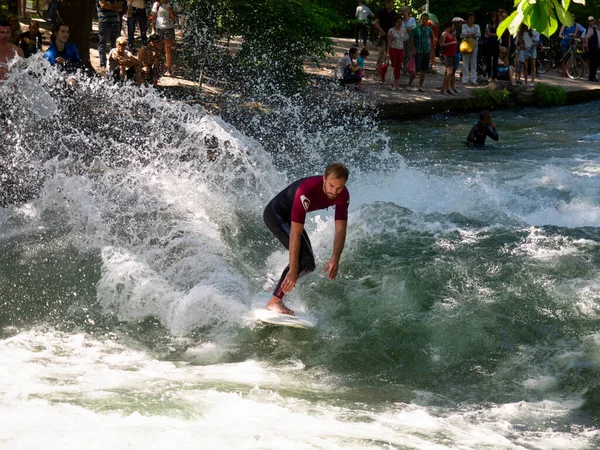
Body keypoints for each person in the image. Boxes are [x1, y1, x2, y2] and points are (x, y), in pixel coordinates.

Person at [262, 163, 350, 316]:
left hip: (290, 218)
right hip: (276, 215)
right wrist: (294, 269)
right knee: (301, 261)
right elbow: (295, 235)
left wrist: (335, 257)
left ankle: (277, 287)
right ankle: (275, 301)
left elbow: (341, 229)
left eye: (339, 187)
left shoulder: (343, 195)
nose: (334, 191)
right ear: (324, 179)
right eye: (331, 185)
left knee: (309, 264)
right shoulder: (306, 191)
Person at [407, 12, 433, 92]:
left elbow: (432, 37)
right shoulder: (415, 28)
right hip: (418, 51)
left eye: (426, 19)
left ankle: (420, 86)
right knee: (415, 70)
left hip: (426, 51)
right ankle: (409, 84)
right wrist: (413, 48)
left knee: (424, 70)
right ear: (420, 19)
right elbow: (411, 38)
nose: (424, 21)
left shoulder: (428, 29)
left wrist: (431, 47)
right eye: (423, 19)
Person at [151, 0, 177, 77]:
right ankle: (155, 68)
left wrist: (171, 11)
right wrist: (153, 29)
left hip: (169, 28)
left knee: (168, 50)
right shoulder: (157, 4)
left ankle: (168, 70)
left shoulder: (171, 4)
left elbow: (175, 18)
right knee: (157, 49)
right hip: (159, 28)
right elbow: (153, 17)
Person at [97, 0, 124, 71]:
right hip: (104, 23)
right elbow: (104, 5)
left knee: (115, 45)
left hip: (116, 23)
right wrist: (115, 5)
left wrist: (110, 6)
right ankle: (103, 64)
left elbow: (121, 7)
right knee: (102, 44)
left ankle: (113, 64)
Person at [374, 0, 396, 69]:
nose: (390, 5)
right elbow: (376, 23)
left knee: (390, 52)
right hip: (383, 34)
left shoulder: (394, 13)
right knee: (382, 51)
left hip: (391, 35)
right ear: (386, 3)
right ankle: (378, 67)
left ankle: (386, 67)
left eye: (391, 3)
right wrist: (381, 31)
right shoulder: (381, 12)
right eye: (389, 3)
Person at [386, 17, 406, 90]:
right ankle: (391, 83)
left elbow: (403, 41)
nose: (400, 23)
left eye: (401, 21)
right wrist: (388, 52)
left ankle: (397, 83)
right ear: (395, 22)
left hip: (400, 50)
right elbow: (389, 42)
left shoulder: (403, 30)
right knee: (393, 66)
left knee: (398, 67)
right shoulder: (391, 31)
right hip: (393, 49)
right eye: (398, 21)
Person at [461, 12, 481, 84]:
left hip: (474, 46)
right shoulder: (464, 26)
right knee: (465, 62)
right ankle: (465, 79)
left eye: (473, 18)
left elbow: (479, 35)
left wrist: (468, 35)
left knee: (474, 63)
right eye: (470, 18)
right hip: (466, 45)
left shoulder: (477, 26)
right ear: (467, 19)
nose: (471, 19)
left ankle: (473, 79)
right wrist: (472, 35)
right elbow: (464, 34)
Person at [439, 20, 457, 94]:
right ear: (449, 26)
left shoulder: (452, 34)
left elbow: (455, 42)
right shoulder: (444, 33)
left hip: (453, 54)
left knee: (450, 72)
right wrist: (451, 43)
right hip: (447, 54)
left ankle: (448, 88)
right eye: (453, 25)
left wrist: (454, 36)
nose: (454, 27)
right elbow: (441, 44)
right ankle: (443, 89)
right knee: (449, 73)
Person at [400, 6, 416, 71]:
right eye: (402, 11)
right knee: (403, 55)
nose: (403, 13)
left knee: (409, 55)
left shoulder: (412, 19)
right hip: (403, 39)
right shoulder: (401, 21)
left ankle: (409, 69)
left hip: (410, 40)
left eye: (404, 11)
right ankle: (404, 69)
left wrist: (410, 28)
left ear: (408, 12)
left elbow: (414, 27)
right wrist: (405, 30)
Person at [484, 13, 500, 81]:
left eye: (495, 17)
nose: (494, 18)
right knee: (488, 60)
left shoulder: (498, 25)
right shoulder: (488, 25)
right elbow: (486, 34)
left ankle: (495, 76)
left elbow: (498, 34)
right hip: (489, 43)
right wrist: (488, 32)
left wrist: (490, 34)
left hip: (496, 43)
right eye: (493, 17)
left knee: (495, 60)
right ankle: (489, 75)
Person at [584, 16, 599, 81]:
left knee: (596, 63)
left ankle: (594, 75)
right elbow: (586, 38)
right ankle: (591, 76)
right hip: (593, 48)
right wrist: (587, 46)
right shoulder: (592, 29)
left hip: (598, 49)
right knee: (593, 62)